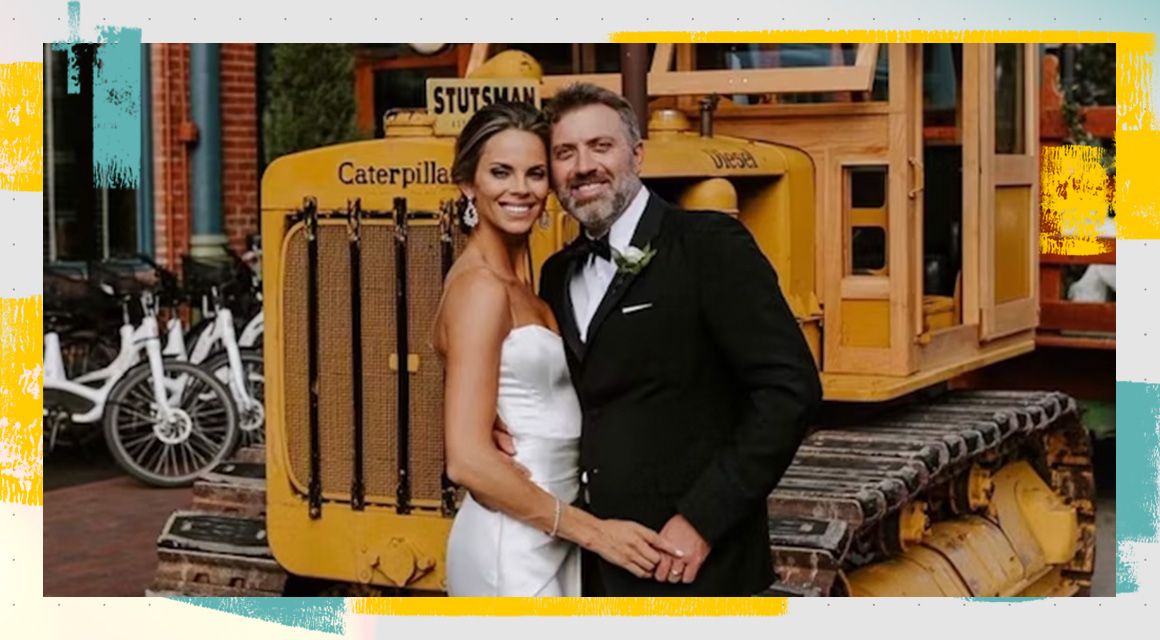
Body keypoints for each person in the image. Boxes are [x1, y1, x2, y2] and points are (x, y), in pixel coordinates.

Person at [496, 83, 823, 596]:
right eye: (565, 153)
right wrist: (505, 423)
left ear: (637, 154)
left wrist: (701, 520)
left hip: (695, 569)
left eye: (601, 146)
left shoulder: (709, 245)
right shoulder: (558, 273)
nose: (583, 166)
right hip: (593, 560)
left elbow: (790, 391)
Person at [433, 101, 683, 597]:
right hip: (515, 545)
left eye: (535, 173)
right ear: (468, 184)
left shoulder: (530, 281)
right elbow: (465, 461)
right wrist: (597, 534)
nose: (521, 189)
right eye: (500, 172)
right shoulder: (482, 287)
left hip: (551, 532)